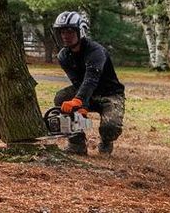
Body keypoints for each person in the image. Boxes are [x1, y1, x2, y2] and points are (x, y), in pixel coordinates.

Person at [52, 11, 125, 155]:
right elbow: (78, 82)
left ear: (81, 31)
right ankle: (76, 143)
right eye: (62, 32)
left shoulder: (96, 51)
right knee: (61, 98)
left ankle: (106, 141)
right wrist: (82, 105)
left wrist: (79, 101)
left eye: (70, 31)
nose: (65, 36)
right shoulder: (63, 56)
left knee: (110, 128)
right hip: (86, 92)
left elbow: (91, 78)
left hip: (110, 95)